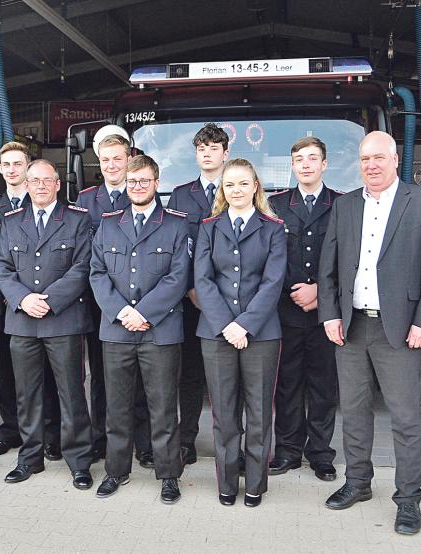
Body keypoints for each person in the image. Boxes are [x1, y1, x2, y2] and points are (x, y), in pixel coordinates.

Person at [317, 131, 421, 535]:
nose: (371, 165)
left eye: (378, 157)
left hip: (401, 328)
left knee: (406, 418)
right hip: (352, 326)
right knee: (354, 413)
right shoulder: (345, 205)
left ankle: (408, 499)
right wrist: (330, 314)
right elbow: (329, 266)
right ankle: (357, 483)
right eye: (364, 159)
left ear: (396, 160)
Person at [88, 155, 191, 504]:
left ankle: (168, 475)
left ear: (156, 183)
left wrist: (143, 312)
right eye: (133, 182)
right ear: (126, 184)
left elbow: (178, 277)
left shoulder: (175, 224)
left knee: (162, 408)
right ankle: (116, 471)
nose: (138, 187)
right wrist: (122, 312)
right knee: (116, 407)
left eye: (145, 181)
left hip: (159, 331)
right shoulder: (109, 223)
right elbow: (97, 273)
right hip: (116, 331)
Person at [0, 159, 95, 490]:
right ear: (25, 185)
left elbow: (83, 266)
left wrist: (48, 301)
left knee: (71, 394)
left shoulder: (77, 219)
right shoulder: (11, 222)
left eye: (46, 180)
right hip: (22, 322)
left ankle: (79, 461)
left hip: (63, 320)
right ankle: (30, 459)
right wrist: (24, 299)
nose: (39, 186)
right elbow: (2, 267)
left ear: (57, 185)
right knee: (27, 396)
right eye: (33, 180)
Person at [194, 158, 286, 508]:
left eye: (243, 184)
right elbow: (202, 279)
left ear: (255, 187)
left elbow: (273, 281)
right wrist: (226, 325)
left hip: (261, 334)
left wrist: (244, 324)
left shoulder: (273, 228)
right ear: (223, 190)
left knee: (260, 413)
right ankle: (227, 483)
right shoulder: (209, 227)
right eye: (229, 185)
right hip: (216, 333)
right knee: (224, 414)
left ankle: (255, 485)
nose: (236, 190)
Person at [76, 132, 153, 467]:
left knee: (142, 377)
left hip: (141, 304)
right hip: (102, 305)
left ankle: (144, 442)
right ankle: (101, 438)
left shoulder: (142, 192)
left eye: (117, 158)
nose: (111, 165)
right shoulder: (85, 198)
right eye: (105, 160)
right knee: (102, 376)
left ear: (128, 158)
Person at [267, 136, 341, 481]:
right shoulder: (275, 205)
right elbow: (267, 257)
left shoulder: (342, 204)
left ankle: (321, 453)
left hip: (327, 314)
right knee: (287, 384)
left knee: (324, 386)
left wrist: (320, 293)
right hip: (286, 311)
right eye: (299, 159)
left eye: (313, 158)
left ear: (324, 164)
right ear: (292, 166)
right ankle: (287, 450)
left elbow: (349, 259)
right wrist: (294, 291)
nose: (306, 164)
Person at [0, 142, 63, 461]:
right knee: (7, 372)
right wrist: (13, 297)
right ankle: (11, 430)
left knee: (46, 374)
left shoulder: (54, 205)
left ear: (29, 168)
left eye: (18, 164)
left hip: (47, 305)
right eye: (6, 164)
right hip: (6, 304)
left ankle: (49, 432)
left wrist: (39, 298)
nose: (11, 170)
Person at [166, 123, 228, 467]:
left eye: (214, 148)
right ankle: (186, 439)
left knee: (228, 378)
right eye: (202, 148)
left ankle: (229, 444)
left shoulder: (236, 189)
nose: (207, 154)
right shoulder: (180, 194)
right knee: (190, 374)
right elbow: (178, 248)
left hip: (230, 302)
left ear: (225, 153)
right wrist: (190, 288)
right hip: (191, 301)